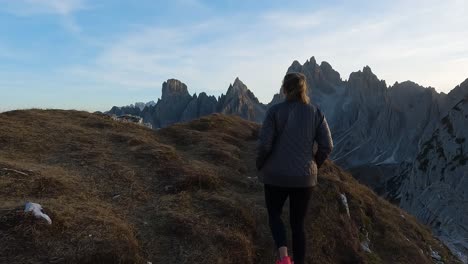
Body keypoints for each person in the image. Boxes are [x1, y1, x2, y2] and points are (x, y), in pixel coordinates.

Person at [256, 72, 333, 264]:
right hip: (305, 178)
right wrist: (315, 163)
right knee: (298, 224)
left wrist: (260, 164)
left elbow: (265, 145)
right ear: (304, 89)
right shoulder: (316, 112)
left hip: (275, 176)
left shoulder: (274, 112)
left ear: (284, 88)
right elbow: (327, 145)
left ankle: (284, 258)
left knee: (274, 214)